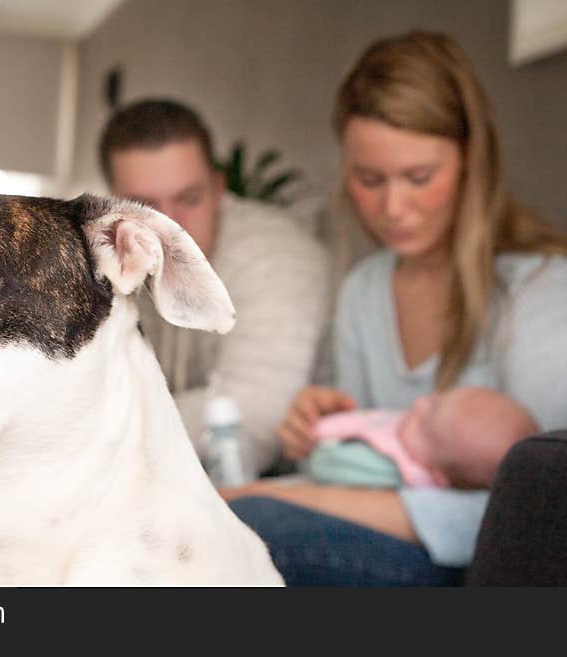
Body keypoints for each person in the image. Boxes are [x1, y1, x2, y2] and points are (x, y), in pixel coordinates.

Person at [224, 30, 567, 586]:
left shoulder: (542, 291)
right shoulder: (364, 291)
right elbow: (361, 473)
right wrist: (320, 434)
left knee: (254, 524)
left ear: (471, 161)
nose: (394, 208)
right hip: (384, 542)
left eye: (419, 178)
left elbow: (544, 518)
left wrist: (276, 494)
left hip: (485, 568)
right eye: (369, 179)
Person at [98, 98, 331, 476]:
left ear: (219, 188)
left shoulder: (277, 255)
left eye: (189, 198)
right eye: (144, 205)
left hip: (284, 485)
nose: (169, 226)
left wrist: (99, 427)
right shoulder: (105, 252)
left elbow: (253, 419)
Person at [306, 387, 539, 489]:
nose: (419, 404)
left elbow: (325, 466)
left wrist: (318, 445)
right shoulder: (416, 441)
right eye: (435, 400)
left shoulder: (397, 470)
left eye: (424, 423)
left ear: (436, 476)